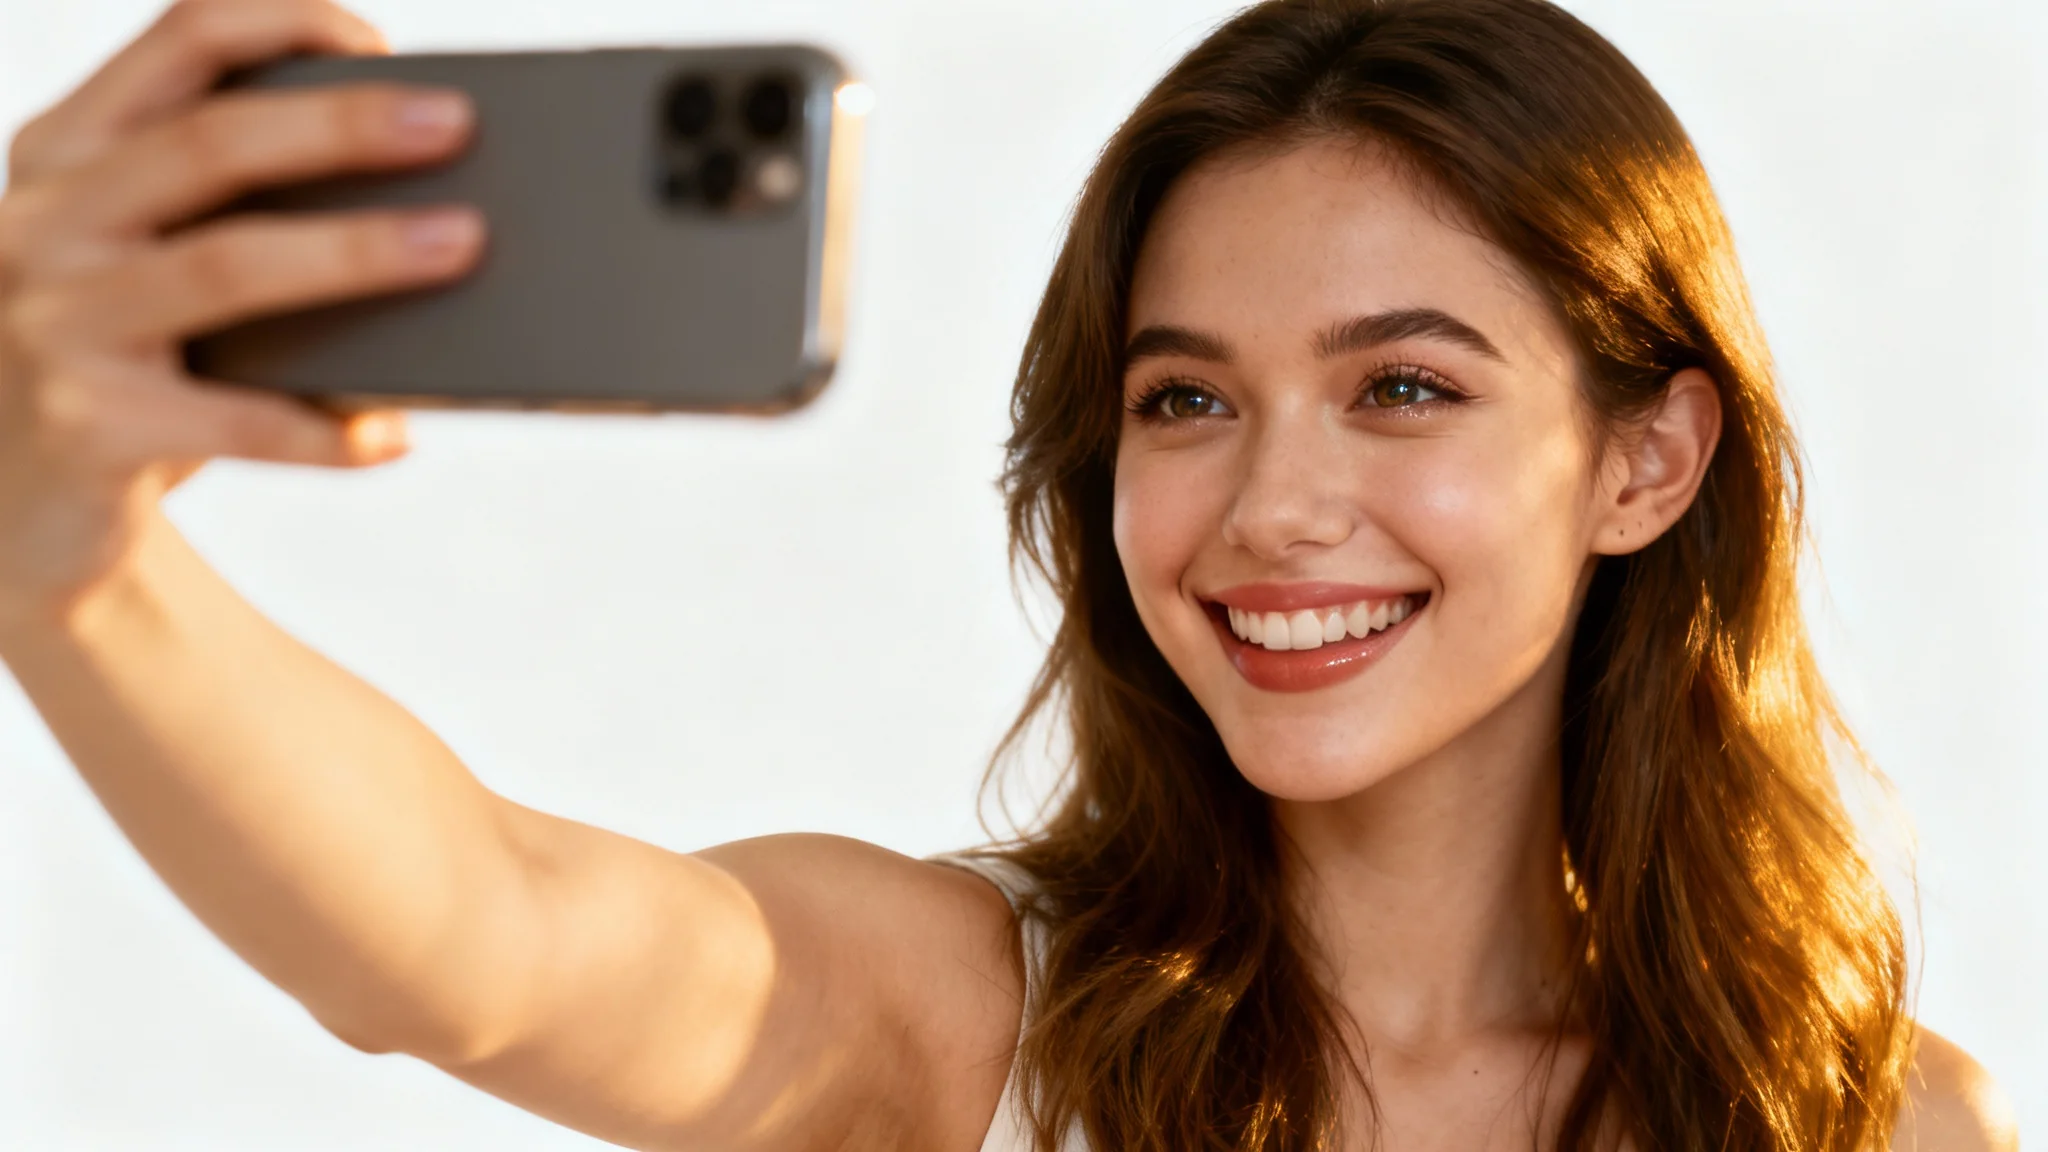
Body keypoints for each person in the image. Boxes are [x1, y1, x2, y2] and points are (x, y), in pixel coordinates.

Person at [0, 0, 2021, 1147]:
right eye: (1184, 401)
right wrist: (66, 564)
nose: (1269, 510)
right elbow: (474, 935)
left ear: (1647, 460)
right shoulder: (968, 1024)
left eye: (1398, 387)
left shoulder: (1870, 1123)